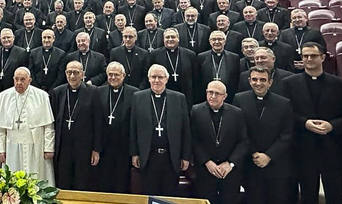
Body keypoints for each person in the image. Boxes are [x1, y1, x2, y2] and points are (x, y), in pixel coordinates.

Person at [282, 42, 342, 204]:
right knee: (307, 196)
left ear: (323, 57)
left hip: (333, 150)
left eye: (313, 55)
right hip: (303, 149)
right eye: (305, 56)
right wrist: (305, 123)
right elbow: (285, 115)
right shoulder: (289, 83)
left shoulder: (340, 84)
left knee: (336, 195)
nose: (309, 59)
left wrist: (332, 126)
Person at [233, 66, 294, 204]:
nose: (258, 83)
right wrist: (254, 152)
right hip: (250, 163)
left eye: (262, 80)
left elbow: (287, 134)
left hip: (276, 164)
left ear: (270, 82)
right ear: (249, 81)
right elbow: (238, 131)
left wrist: (269, 156)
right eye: (254, 79)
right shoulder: (239, 99)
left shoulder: (283, 103)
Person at [130, 64, 191, 196]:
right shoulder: (138, 97)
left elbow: (185, 129)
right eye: (153, 77)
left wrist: (185, 156)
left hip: (171, 157)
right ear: (149, 78)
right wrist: (134, 153)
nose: (157, 80)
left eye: (160, 77)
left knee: (170, 196)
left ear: (166, 79)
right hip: (148, 156)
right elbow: (133, 128)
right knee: (149, 194)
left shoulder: (179, 98)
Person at [0, 67, 56, 185]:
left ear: (29, 80)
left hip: (35, 146)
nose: (19, 83)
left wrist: (48, 148)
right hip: (12, 147)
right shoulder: (3, 96)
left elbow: (48, 126)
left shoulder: (41, 96)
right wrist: (0, 150)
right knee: (12, 181)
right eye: (16, 79)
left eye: (22, 79)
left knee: (36, 179)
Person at [191, 81, 249, 204]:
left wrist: (230, 164)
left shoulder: (236, 113)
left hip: (229, 171)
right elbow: (194, 140)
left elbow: (243, 141)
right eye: (210, 92)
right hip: (205, 170)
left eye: (217, 93)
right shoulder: (196, 111)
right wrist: (207, 162)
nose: (212, 96)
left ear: (225, 96)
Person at [50, 61, 102, 191]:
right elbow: (53, 122)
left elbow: (98, 122)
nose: (72, 76)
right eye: (69, 72)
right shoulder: (58, 92)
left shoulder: (93, 92)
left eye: (76, 72)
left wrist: (96, 149)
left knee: (82, 183)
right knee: (63, 183)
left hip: (84, 148)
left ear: (83, 74)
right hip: (63, 148)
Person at [95, 62, 138, 193]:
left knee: (122, 184)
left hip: (124, 147)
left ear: (123, 75)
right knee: (103, 184)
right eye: (110, 75)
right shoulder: (98, 91)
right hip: (104, 147)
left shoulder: (134, 93)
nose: (113, 77)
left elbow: (136, 124)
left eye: (116, 75)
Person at [148, 28, 197, 110]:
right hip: (163, 95)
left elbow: (195, 78)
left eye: (173, 37)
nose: (170, 39)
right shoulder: (155, 55)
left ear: (178, 38)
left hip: (185, 95)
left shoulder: (190, 55)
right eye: (167, 37)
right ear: (163, 39)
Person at [197, 31, 240, 102]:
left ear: (225, 41)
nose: (217, 42)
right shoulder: (201, 57)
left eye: (220, 39)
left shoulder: (234, 57)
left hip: (228, 97)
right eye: (214, 39)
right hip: (207, 97)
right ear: (210, 42)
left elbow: (236, 79)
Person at [0, 28, 29, 96]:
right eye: (4, 38)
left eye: (8, 37)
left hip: (12, 89)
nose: (6, 40)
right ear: (0, 39)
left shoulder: (21, 53)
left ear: (13, 38)